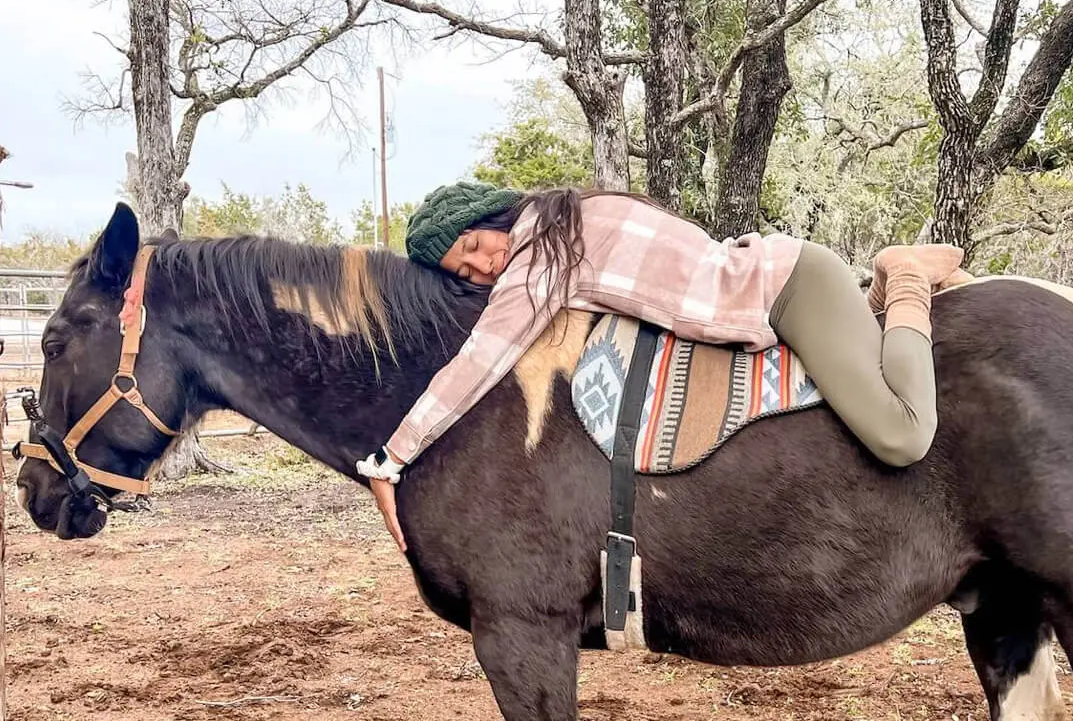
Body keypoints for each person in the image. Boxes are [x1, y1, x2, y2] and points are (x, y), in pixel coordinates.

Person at [357, 183, 971, 552]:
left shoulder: (540, 250)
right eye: (465, 273)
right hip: (770, 290)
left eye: (472, 248)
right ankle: (875, 301)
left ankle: (906, 276)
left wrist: (394, 456)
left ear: (486, 217)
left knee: (903, 434)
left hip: (784, 289)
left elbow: (482, 358)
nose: (483, 267)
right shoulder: (566, 219)